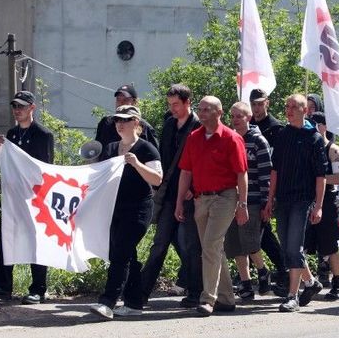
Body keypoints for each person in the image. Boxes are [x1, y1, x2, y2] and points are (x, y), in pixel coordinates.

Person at [174, 96, 248, 317]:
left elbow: (241, 174)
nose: (202, 113)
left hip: (225, 197)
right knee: (214, 249)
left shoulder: (231, 138)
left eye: (207, 109)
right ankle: (226, 299)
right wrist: (179, 202)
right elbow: (186, 172)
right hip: (200, 199)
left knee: (210, 245)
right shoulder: (194, 138)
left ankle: (208, 299)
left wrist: (242, 204)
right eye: (201, 109)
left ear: (219, 112)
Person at [90, 105, 163, 319]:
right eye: (117, 120)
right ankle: (134, 303)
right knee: (127, 254)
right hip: (115, 209)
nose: (120, 124)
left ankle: (108, 302)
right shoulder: (111, 148)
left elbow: (157, 180)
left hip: (139, 209)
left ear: (136, 123)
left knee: (119, 254)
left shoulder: (146, 148)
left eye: (125, 120)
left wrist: (137, 164)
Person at [0, 91, 55, 304]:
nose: (17, 110)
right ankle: (3, 286)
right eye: (15, 106)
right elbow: (4, 166)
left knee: (36, 242)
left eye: (22, 106)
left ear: (32, 108)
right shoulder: (11, 134)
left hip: (34, 198)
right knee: (5, 238)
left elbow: (45, 169)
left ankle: (38, 289)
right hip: (13, 197)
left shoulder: (43, 134)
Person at [263, 94, 327, 313]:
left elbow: (321, 176)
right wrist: (270, 199)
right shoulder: (282, 135)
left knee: (294, 247)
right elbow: (275, 170)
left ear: (305, 110)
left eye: (294, 107)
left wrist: (318, 205)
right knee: (287, 246)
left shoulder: (314, 138)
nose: (289, 110)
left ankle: (292, 296)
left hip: (303, 200)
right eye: (286, 106)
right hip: (283, 199)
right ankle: (310, 283)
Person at [140, 84, 201, 308]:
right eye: (170, 104)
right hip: (169, 194)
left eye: (176, 104)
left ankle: (196, 292)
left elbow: (201, 162)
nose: (172, 108)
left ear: (187, 103)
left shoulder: (199, 126)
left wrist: (193, 188)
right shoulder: (168, 125)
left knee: (192, 246)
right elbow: (164, 160)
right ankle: (142, 293)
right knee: (159, 244)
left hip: (191, 196)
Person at [225, 101, 272, 299]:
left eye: (240, 116)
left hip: (252, 199)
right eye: (233, 116)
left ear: (248, 118)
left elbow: (265, 174)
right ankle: (245, 283)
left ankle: (263, 271)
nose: (235, 120)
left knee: (251, 242)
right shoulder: (229, 139)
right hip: (230, 199)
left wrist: (266, 202)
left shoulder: (258, 141)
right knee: (235, 244)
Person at [249, 88, 287, 292]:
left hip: (269, 186)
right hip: (251, 187)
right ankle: (275, 270)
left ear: (267, 103)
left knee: (262, 232)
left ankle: (283, 270)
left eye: (260, 103)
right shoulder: (249, 126)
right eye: (253, 104)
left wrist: (271, 194)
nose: (256, 108)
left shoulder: (276, 128)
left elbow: (277, 162)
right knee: (258, 232)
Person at [304, 112, 339, 301]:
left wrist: (318, 178)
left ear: (324, 126)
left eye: (315, 124)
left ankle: (338, 283)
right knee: (302, 243)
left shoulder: (332, 149)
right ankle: (308, 282)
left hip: (328, 201)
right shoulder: (308, 147)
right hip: (308, 199)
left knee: (329, 245)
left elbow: (338, 177)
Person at [95, 84, 159, 149]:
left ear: (135, 102)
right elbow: (97, 149)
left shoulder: (145, 128)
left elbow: (154, 156)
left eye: (125, 100)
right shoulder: (106, 123)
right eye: (118, 99)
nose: (121, 103)